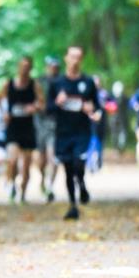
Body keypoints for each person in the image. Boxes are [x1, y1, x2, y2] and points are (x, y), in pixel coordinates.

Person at [47, 46, 102, 220]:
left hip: (82, 132)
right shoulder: (57, 84)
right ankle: (73, 205)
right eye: (72, 56)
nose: (75, 60)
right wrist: (58, 102)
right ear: (66, 58)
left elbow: (98, 107)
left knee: (79, 163)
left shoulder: (88, 82)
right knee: (68, 168)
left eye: (78, 57)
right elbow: (48, 109)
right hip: (63, 133)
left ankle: (82, 184)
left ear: (81, 59)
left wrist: (94, 112)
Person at [0, 56, 43, 203]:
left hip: (28, 128)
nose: (24, 69)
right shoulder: (9, 84)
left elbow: (42, 103)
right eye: (22, 66)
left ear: (30, 68)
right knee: (12, 159)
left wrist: (35, 107)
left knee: (26, 164)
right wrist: (4, 112)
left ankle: (23, 194)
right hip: (13, 127)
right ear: (18, 67)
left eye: (27, 66)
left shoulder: (34, 85)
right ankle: (12, 185)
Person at [34, 56, 60, 202]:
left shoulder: (61, 82)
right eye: (52, 66)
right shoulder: (39, 81)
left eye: (56, 66)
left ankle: (51, 186)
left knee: (53, 155)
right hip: (39, 123)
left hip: (55, 123)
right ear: (47, 66)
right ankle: (43, 178)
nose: (54, 69)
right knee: (41, 158)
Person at [110, 80, 128, 152]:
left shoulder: (122, 97)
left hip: (119, 118)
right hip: (116, 118)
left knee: (120, 133)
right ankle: (117, 147)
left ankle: (119, 147)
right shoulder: (112, 97)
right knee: (116, 133)